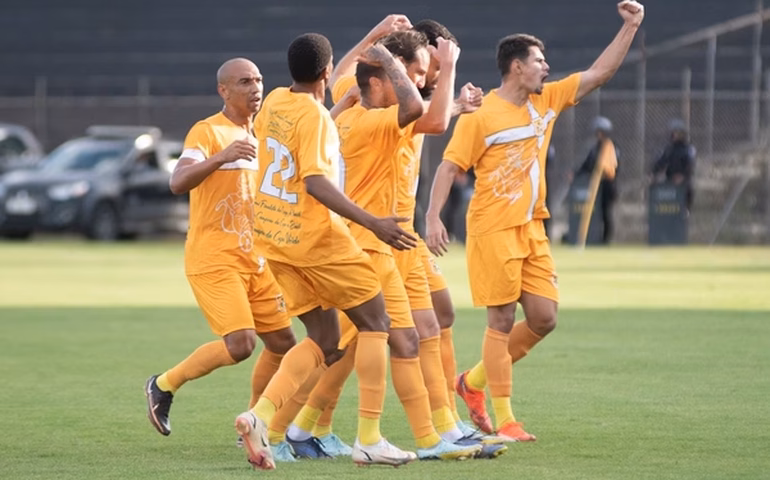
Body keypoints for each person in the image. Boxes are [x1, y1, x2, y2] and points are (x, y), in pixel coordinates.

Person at [425, 1, 646, 441]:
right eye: (538, 61)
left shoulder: (548, 99)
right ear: (515, 67)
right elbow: (449, 167)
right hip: (492, 229)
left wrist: (632, 27)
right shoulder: (481, 115)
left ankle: (472, 383)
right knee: (501, 320)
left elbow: (599, 73)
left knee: (544, 319)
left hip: (532, 230)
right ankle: (505, 420)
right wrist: (432, 216)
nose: (547, 67)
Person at [234, 33, 418, 470]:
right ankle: (370, 438)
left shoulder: (276, 101)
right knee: (376, 321)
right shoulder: (316, 117)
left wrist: (334, 109)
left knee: (325, 339)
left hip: (274, 239)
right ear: (326, 72)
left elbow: (300, 141)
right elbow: (316, 182)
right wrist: (373, 222)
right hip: (315, 238)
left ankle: (259, 416)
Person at [144, 58, 296, 437]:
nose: (255, 87)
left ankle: (256, 423)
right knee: (242, 344)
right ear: (223, 90)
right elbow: (178, 181)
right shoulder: (207, 131)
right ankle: (163, 385)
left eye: (259, 80)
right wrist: (221, 157)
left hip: (257, 260)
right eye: (245, 81)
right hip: (215, 258)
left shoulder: (265, 136)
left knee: (283, 344)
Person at [573, 116, 619, 244]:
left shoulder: (612, 148)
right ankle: (592, 237)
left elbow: (614, 167)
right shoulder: (594, 148)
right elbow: (587, 165)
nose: (599, 135)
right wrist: (576, 173)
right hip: (594, 186)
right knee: (594, 213)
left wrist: (604, 174)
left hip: (607, 186)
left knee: (605, 213)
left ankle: (606, 240)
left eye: (601, 132)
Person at [653, 118, 696, 212]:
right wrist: (655, 174)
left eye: (676, 133)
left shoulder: (688, 149)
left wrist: (683, 176)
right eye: (673, 132)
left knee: (688, 190)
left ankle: (686, 211)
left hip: (683, 183)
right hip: (670, 181)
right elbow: (660, 163)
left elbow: (690, 166)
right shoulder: (669, 149)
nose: (674, 135)